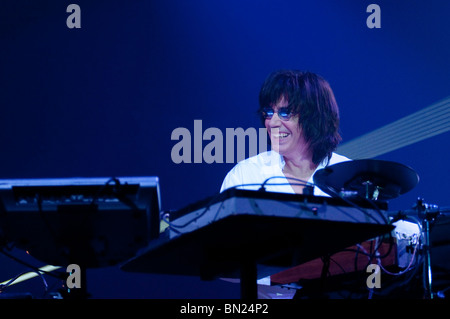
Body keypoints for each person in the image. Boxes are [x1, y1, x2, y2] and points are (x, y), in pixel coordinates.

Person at [220, 69, 351, 196]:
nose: (272, 123)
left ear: (315, 118)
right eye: (269, 113)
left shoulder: (349, 176)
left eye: (285, 113)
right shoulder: (245, 177)